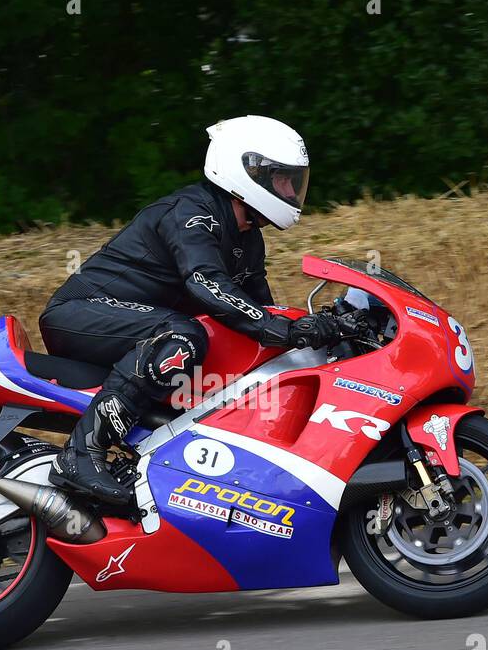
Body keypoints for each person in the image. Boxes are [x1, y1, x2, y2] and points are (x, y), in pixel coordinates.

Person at [40, 115, 342, 505]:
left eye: (293, 181)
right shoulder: (191, 213)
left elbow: (262, 311)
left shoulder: (247, 237)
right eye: (282, 179)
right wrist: (278, 327)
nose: (290, 190)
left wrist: (321, 329)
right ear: (247, 171)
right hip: (80, 313)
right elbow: (206, 284)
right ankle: (81, 454)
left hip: (140, 328)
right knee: (182, 335)